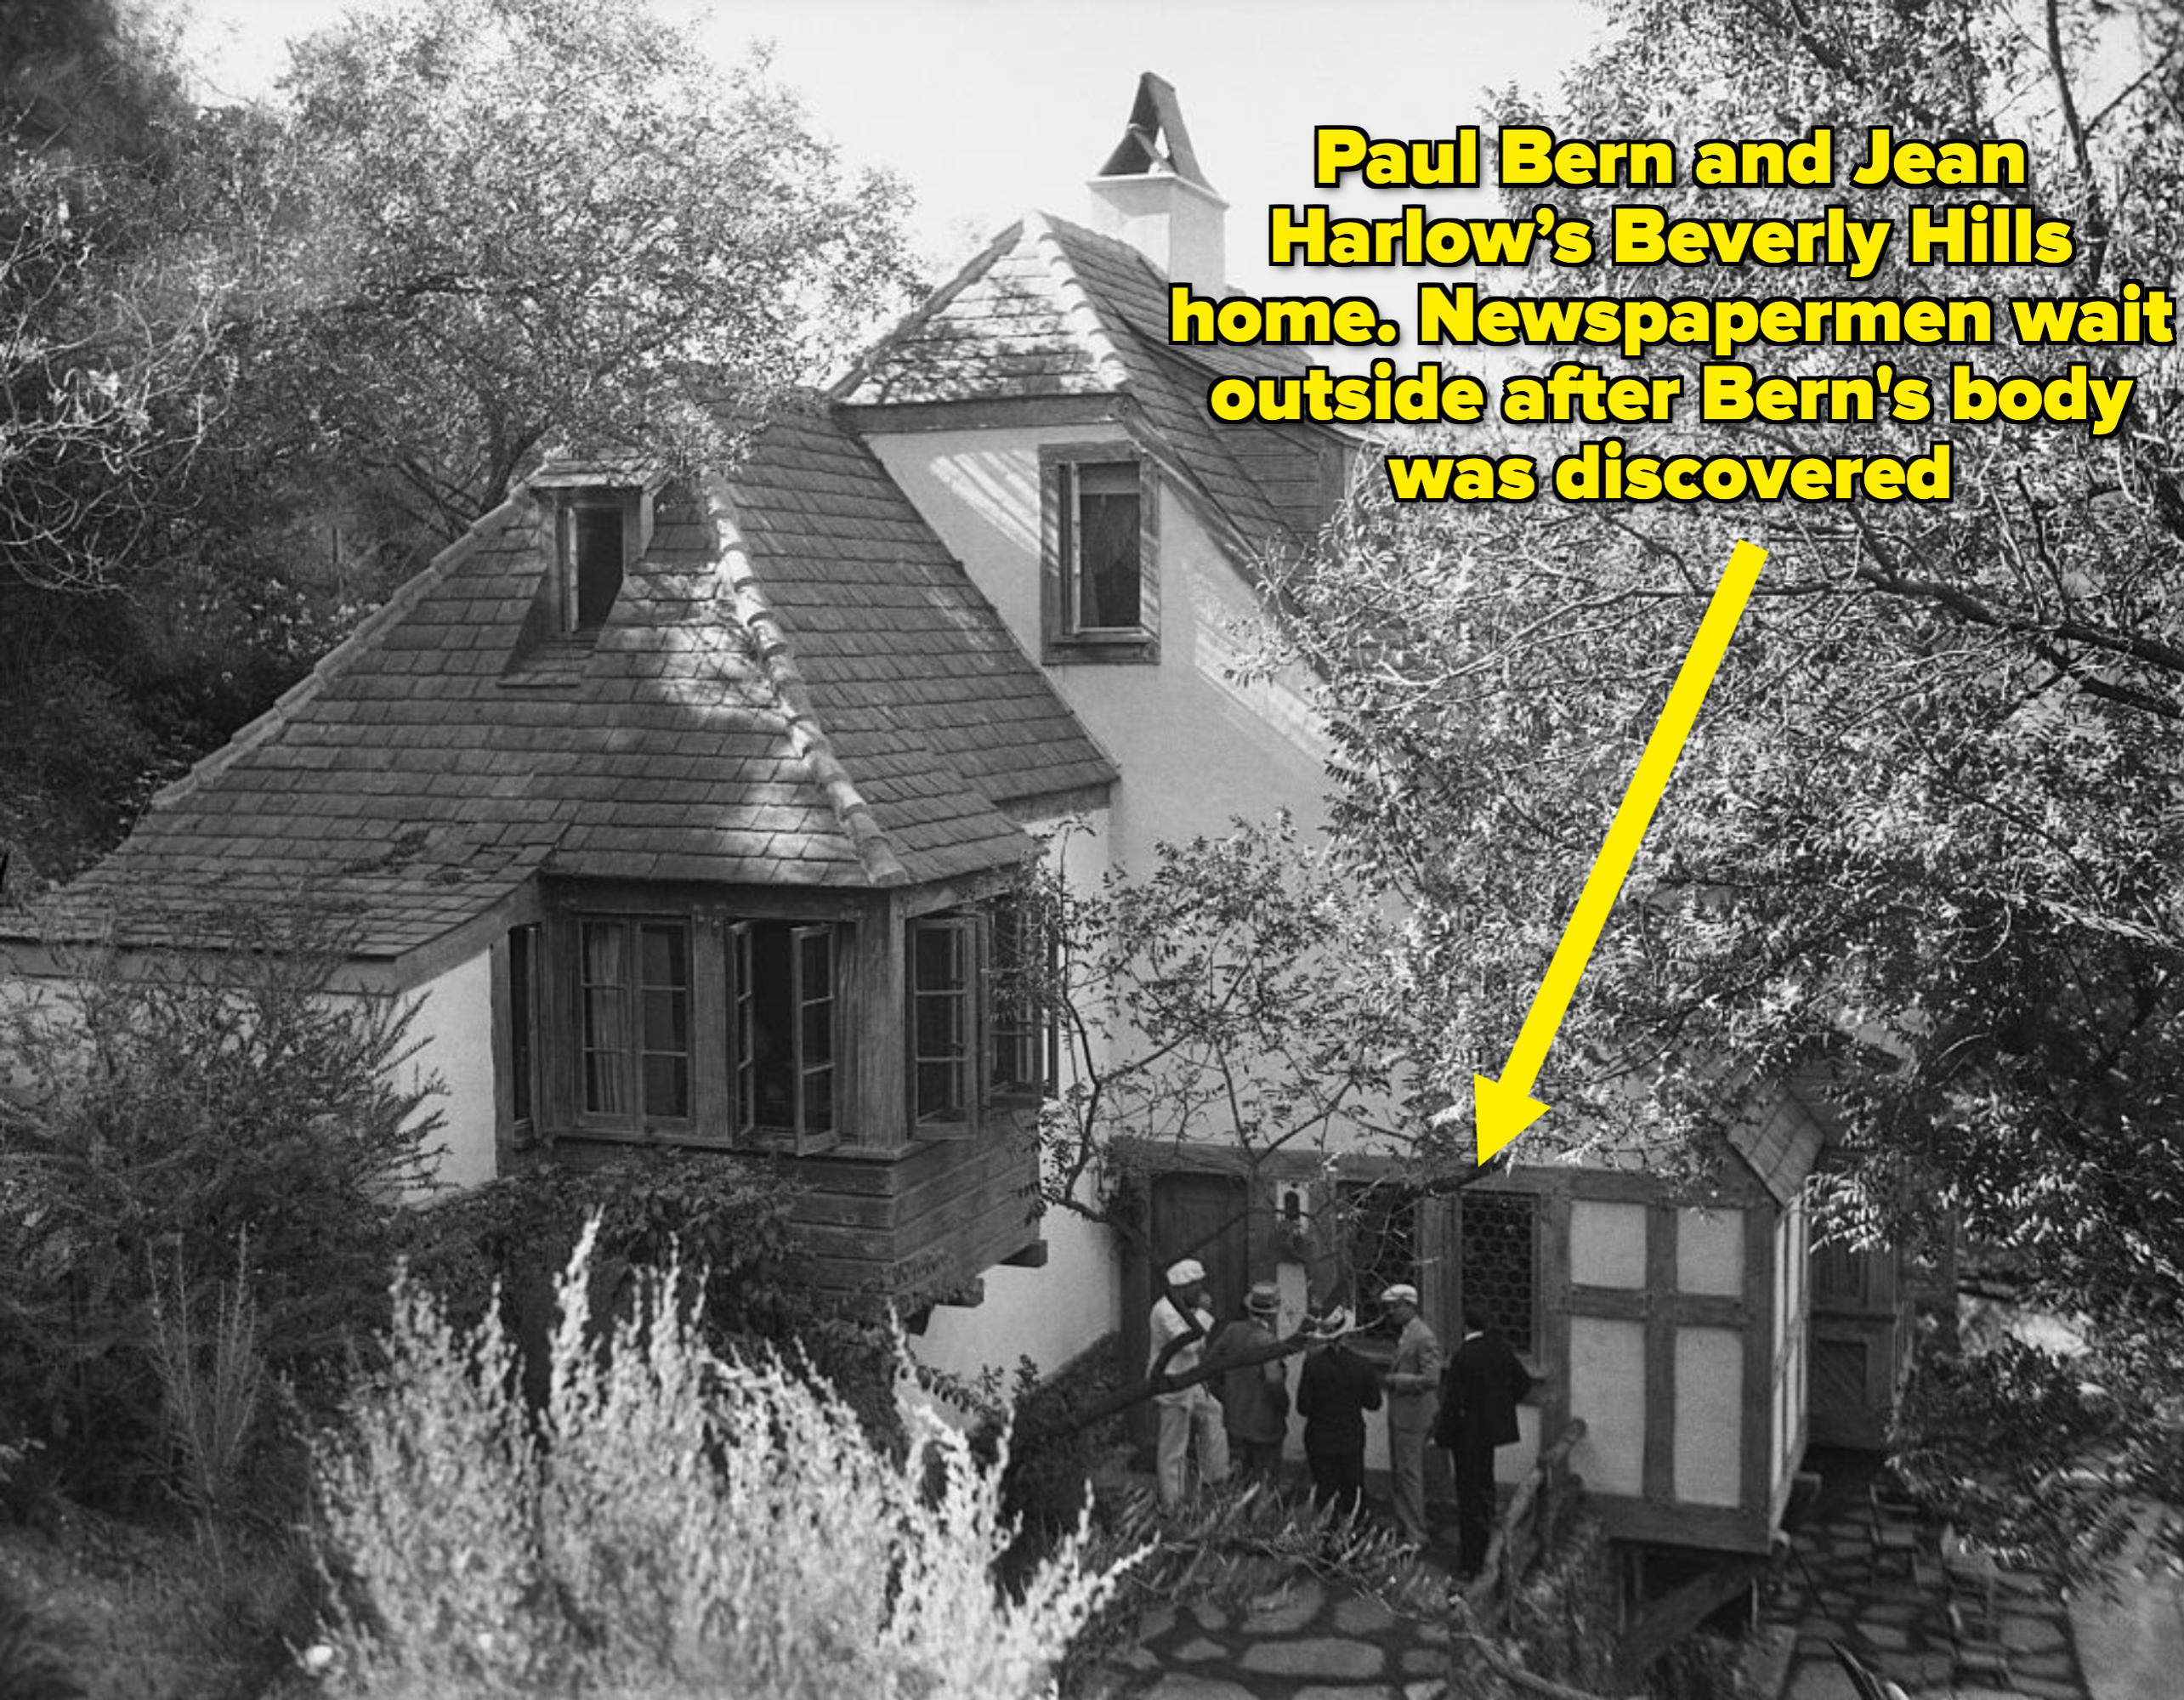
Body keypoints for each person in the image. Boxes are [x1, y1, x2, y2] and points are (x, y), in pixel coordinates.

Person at [1436, 1304, 1534, 1577]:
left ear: (1466, 1326)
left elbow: (1453, 1404)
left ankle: (1471, 1562)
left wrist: (1442, 1436)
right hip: (1489, 1434)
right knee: (1486, 1488)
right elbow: (1523, 1383)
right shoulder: (1500, 1349)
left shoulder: (1463, 1357)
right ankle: (1490, 1544)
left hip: (1466, 1435)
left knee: (1468, 1497)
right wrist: (1498, 1408)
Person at [1148, 1257, 1229, 1507]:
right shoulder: (1165, 1311)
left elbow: (1195, 1350)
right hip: (1172, 1385)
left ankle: (1214, 1477)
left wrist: (1200, 1374)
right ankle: (1173, 1502)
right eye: (1198, 1285)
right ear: (1185, 1286)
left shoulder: (1183, 1308)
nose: (1202, 1291)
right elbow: (1190, 1343)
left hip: (1190, 1380)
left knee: (1213, 1412)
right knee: (1174, 1446)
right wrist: (1205, 1313)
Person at [1294, 1306, 1381, 1518]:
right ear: (1348, 1333)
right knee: (1353, 1491)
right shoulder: (1362, 1365)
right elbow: (1374, 1403)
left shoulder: (1313, 1366)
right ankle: (1354, 1538)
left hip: (1320, 1437)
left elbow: (1303, 1407)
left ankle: (1325, 1540)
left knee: (1325, 1492)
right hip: (1350, 1437)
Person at [1378, 1282, 1442, 1547]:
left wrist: (1396, 1380)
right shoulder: (1408, 1333)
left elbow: (1431, 1378)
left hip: (1412, 1416)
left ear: (1408, 1306)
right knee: (1401, 1472)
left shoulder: (1423, 1336)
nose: (1391, 1312)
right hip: (1403, 1414)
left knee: (1409, 1474)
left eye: (1395, 1307)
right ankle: (1405, 1523)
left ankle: (1416, 1532)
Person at [1210, 1280, 1289, 1482]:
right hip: (1264, 1423)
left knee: (1242, 1477)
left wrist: (1225, 1392)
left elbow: (1211, 1362)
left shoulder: (1232, 1331)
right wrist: (1284, 1407)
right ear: (1272, 1313)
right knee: (1264, 1479)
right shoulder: (1267, 1341)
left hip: (1236, 1419)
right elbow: (1274, 1383)